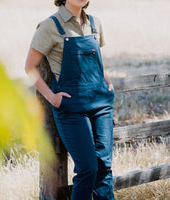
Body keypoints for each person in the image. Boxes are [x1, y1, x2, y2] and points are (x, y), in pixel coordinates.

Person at [25, 0, 115, 199]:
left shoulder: (95, 23)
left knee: (104, 169)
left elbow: (96, 60)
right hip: (72, 108)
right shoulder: (50, 26)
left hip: (101, 105)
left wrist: (107, 81)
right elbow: (30, 67)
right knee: (88, 169)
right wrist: (52, 97)